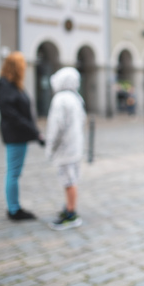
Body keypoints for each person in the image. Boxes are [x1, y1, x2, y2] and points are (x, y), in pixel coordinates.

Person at [0, 51, 44, 221]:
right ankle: (14, 210)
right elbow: (13, 116)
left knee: (15, 172)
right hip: (15, 135)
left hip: (19, 135)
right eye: (23, 66)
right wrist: (35, 133)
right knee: (13, 172)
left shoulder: (13, 86)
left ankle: (14, 207)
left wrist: (34, 133)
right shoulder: (6, 87)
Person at [45, 67, 86, 230]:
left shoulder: (60, 99)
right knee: (72, 179)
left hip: (65, 148)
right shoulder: (76, 97)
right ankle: (69, 208)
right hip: (75, 147)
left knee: (68, 181)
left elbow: (56, 126)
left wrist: (50, 147)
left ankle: (71, 213)